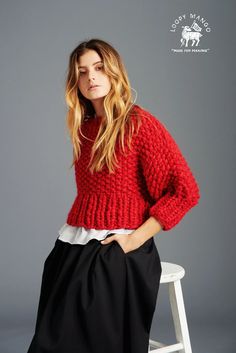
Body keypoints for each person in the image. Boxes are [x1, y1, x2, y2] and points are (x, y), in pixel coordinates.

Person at [27, 38, 200, 353]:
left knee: (84, 307)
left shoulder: (140, 124)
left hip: (123, 246)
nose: (91, 77)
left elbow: (185, 191)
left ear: (114, 73)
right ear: (75, 82)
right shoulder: (85, 128)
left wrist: (134, 239)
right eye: (82, 72)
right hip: (77, 240)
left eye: (98, 68)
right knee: (53, 313)